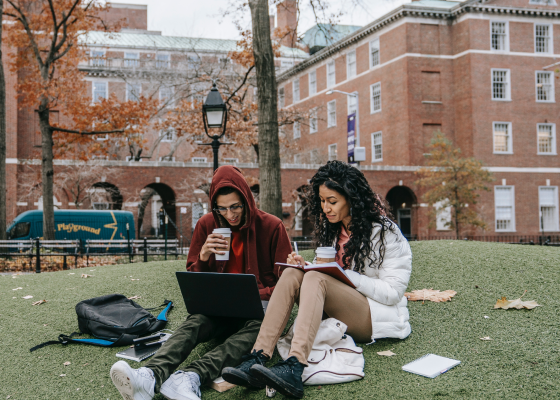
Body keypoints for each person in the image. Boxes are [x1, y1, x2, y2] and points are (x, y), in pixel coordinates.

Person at [222, 160, 413, 399]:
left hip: (372, 315)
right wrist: (307, 265)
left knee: (315, 279)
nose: (326, 208)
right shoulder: (333, 230)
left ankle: (295, 365)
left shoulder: (385, 232)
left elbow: (393, 292)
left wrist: (341, 275)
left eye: (332, 202)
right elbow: (328, 274)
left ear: (352, 199)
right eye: (322, 201)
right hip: (336, 307)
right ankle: (257, 356)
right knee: (293, 272)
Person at [110, 165, 293, 400]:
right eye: (223, 208)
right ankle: (149, 376)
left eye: (236, 206)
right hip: (218, 310)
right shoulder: (207, 225)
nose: (230, 215)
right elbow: (194, 278)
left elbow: (287, 282)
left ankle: (189, 377)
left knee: (256, 332)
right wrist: (204, 256)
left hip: (258, 311)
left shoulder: (272, 226)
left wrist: (257, 294)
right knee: (194, 322)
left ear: (247, 199)